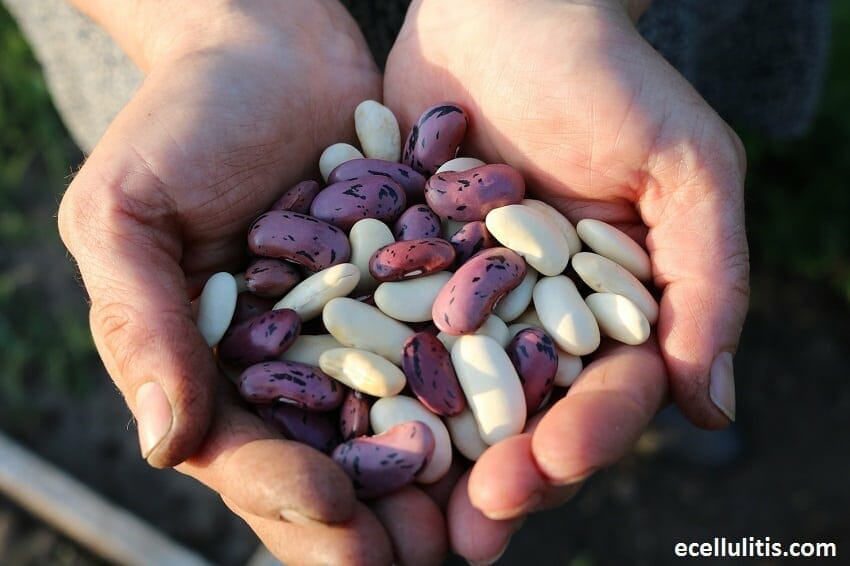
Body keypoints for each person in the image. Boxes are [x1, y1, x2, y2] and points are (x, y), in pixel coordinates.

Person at [6, 0, 827, 563]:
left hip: (585, 54)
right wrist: (212, 21)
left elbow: (450, 291)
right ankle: (675, 404)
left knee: (660, 310)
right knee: (580, 380)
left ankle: (678, 405)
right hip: (205, 56)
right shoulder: (350, 241)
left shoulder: (450, 232)